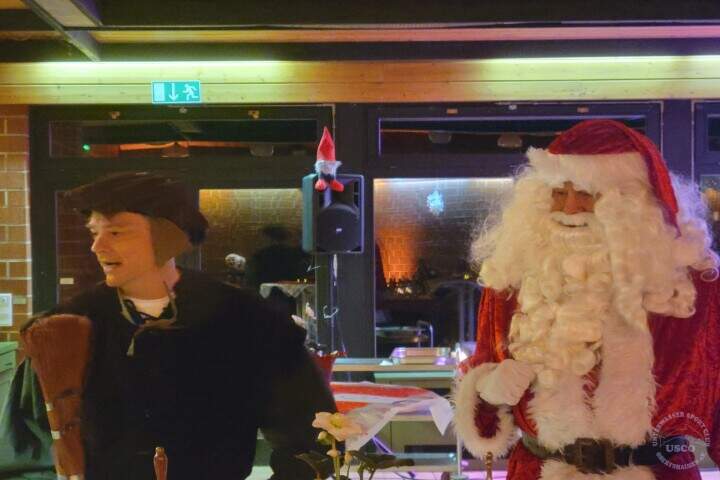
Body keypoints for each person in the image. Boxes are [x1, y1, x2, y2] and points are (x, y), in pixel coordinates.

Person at [0, 172, 335, 480]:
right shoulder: (62, 331)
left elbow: (312, 440)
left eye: (116, 232)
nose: (97, 246)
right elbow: (25, 455)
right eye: (94, 232)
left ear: (167, 237)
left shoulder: (248, 321)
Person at [453, 120, 720, 479]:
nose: (569, 208)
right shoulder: (510, 279)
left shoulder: (691, 286)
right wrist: (486, 388)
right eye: (558, 192)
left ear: (631, 201)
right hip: (540, 468)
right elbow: (484, 390)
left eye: (586, 193)